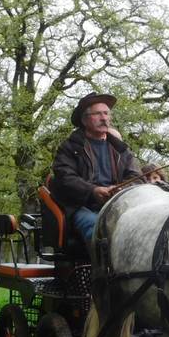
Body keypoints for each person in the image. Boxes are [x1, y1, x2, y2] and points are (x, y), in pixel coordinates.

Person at [49, 92, 142, 254]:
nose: (104, 118)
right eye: (98, 114)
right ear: (84, 120)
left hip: (119, 204)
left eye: (106, 113)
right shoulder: (70, 147)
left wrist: (121, 190)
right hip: (80, 206)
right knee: (97, 229)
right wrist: (92, 191)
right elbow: (65, 178)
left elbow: (137, 178)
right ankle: (101, 277)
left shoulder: (121, 149)